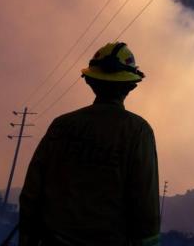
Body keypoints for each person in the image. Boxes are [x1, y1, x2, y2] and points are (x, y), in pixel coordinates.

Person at [20, 42, 161, 246]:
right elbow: (145, 205)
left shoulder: (61, 126)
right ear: (130, 86)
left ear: (90, 81)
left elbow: (31, 192)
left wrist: (27, 239)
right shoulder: (138, 131)